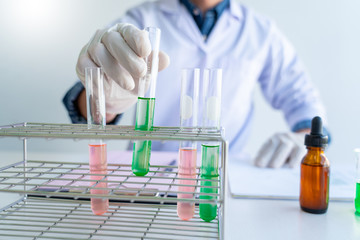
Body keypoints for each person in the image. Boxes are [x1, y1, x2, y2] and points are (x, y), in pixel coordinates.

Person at [63, 0, 330, 168]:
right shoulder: (142, 19)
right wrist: (104, 100)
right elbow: (90, 98)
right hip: (146, 171)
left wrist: (303, 139)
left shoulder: (261, 32)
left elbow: (304, 102)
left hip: (226, 175)